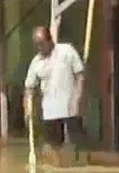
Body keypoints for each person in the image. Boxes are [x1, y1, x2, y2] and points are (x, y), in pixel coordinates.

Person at [23, 26, 86, 163]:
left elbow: (80, 76)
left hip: (71, 109)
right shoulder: (36, 62)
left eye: (41, 44)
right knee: (52, 148)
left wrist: (77, 99)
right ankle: (56, 172)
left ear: (49, 40)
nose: (39, 48)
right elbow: (29, 88)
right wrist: (27, 110)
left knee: (77, 148)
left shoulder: (67, 51)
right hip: (50, 112)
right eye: (36, 45)